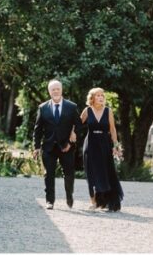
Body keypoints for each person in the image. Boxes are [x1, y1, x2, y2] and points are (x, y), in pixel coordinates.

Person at [32, 80, 82, 210]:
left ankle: (69, 196)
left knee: (69, 173)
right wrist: (36, 147)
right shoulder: (43, 108)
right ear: (49, 91)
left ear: (61, 90)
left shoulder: (71, 107)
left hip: (67, 147)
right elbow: (37, 129)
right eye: (52, 89)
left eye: (57, 89)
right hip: (49, 147)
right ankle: (49, 201)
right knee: (49, 174)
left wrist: (73, 138)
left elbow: (79, 125)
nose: (55, 91)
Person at [79, 88, 124, 212]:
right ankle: (93, 202)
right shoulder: (87, 110)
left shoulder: (108, 111)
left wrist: (116, 145)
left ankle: (108, 201)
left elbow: (113, 129)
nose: (101, 97)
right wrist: (71, 133)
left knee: (106, 171)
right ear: (92, 98)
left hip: (104, 144)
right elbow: (77, 124)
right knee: (91, 173)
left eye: (102, 95)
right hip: (90, 144)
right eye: (98, 95)